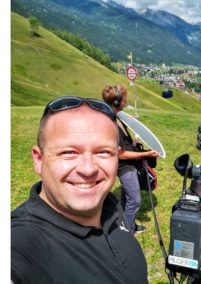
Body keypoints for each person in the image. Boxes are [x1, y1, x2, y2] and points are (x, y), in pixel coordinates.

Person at [11, 96, 148, 283]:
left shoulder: (110, 206)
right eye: (69, 152)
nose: (88, 169)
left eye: (103, 152)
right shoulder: (21, 244)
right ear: (39, 160)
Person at [102, 85, 160, 234]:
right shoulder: (111, 124)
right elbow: (120, 154)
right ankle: (127, 232)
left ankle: (123, 223)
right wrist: (145, 154)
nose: (126, 102)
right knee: (135, 200)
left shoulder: (116, 117)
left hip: (129, 163)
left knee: (127, 197)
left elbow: (123, 142)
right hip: (125, 166)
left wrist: (132, 127)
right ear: (117, 102)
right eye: (124, 99)